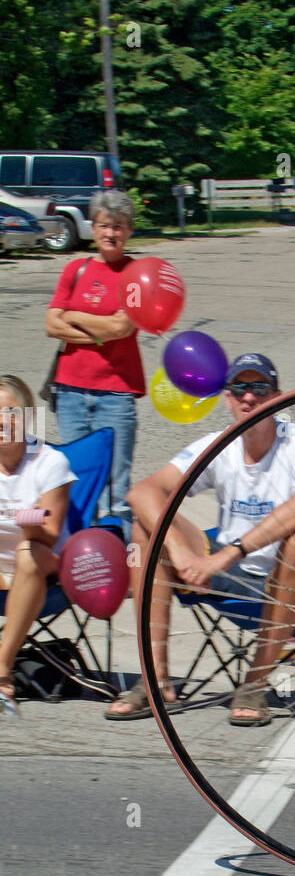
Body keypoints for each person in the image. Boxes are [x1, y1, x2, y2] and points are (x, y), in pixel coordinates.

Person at [105, 354, 295, 726]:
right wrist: (181, 555)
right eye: (239, 388)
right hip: (231, 574)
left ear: (278, 396)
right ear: (227, 399)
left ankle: (255, 683)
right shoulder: (217, 444)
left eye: (259, 388)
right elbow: (143, 492)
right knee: (144, 531)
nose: (249, 398)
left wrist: (226, 555)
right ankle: (156, 681)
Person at [45, 189, 143, 538]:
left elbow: (122, 326)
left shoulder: (137, 274)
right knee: (78, 482)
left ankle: (120, 566)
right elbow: (51, 324)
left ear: (129, 230)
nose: (110, 233)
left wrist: (74, 318)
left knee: (117, 490)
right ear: (93, 228)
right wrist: (100, 331)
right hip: (70, 391)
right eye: (104, 225)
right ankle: (82, 567)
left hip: (116, 394)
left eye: (118, 226)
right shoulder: (76, 269)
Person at [0, 376, 76, 716]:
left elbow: (49, 531)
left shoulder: (49, 461)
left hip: (43, 570)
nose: (2, 421)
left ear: (28, 418)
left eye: (10, 412)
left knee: (27, 553)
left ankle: (2, 672)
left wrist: (22, 517)